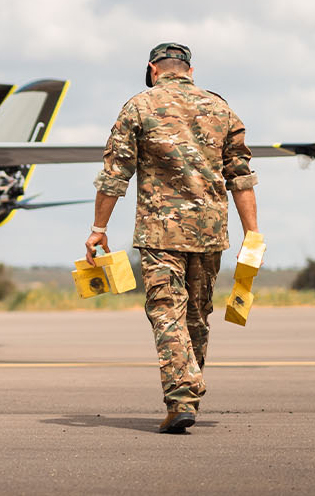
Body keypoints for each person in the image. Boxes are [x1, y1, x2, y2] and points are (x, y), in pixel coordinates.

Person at [84, 42, 259, 434]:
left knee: (167, 312)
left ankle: (181, 397)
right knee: (196, 316)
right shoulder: (221, 109)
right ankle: (187, 399)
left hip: (160, 233)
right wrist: (253, 235)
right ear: (190, 71)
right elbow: (241, 177)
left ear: (153, 69)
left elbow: (114, 174)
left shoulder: (139, 106)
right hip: (210, 233)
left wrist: (99, 229)